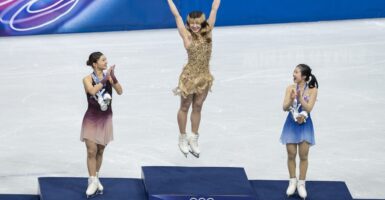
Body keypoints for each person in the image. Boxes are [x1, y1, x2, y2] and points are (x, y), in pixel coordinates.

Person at [166, 0, 221, 158]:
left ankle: (194, 137)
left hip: (204, 77)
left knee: (198, 106)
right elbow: (176, 15)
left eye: (198, 23)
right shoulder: (186, 35)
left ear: (202, 22)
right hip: (190, 77)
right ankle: (182, 137)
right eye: (192, 23)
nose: (195, 26)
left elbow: (214, 8)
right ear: (189, 24)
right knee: (185, 107)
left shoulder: (208, 31)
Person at [80, 52, 123, 198]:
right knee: (91, 150)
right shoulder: (86, 79)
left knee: (100, 150)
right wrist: (105, 80)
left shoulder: (109, 78)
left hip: (105, 119)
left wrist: (113, 79)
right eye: (103, 60)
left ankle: (96, 177)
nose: (106, 62)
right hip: (92, 119)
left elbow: (120, 91)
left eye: (106, 60)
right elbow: (92, 91)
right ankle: (92, 180)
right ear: (95, 63)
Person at [280, 64, 318, 199]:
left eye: (296, 72)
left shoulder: (313, 90)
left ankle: (301, 183)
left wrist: (300, 97)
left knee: (303, 155)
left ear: (304, 76)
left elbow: (309, 108)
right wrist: (291, 99)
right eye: (294, 71)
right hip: (291, 124)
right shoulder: (289, 88)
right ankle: (292, 181)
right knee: (291, 154)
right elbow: (284, 107)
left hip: (305, 125)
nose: (293, 74)